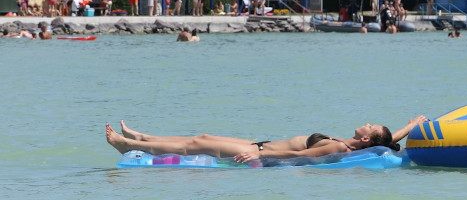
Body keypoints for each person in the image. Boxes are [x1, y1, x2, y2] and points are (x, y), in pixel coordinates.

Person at [106, 118, 409, 162]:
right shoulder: (354, 142)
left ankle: (129, 144)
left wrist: (260, 157)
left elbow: (302, 157)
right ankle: (144, 136)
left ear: (367, 137)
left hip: (259, 152)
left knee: (194, 146)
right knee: (203, 137)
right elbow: (386, 142)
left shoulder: (340, 147)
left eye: (371, 124)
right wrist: (410, 127)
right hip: (258, 143)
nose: (365, 122)